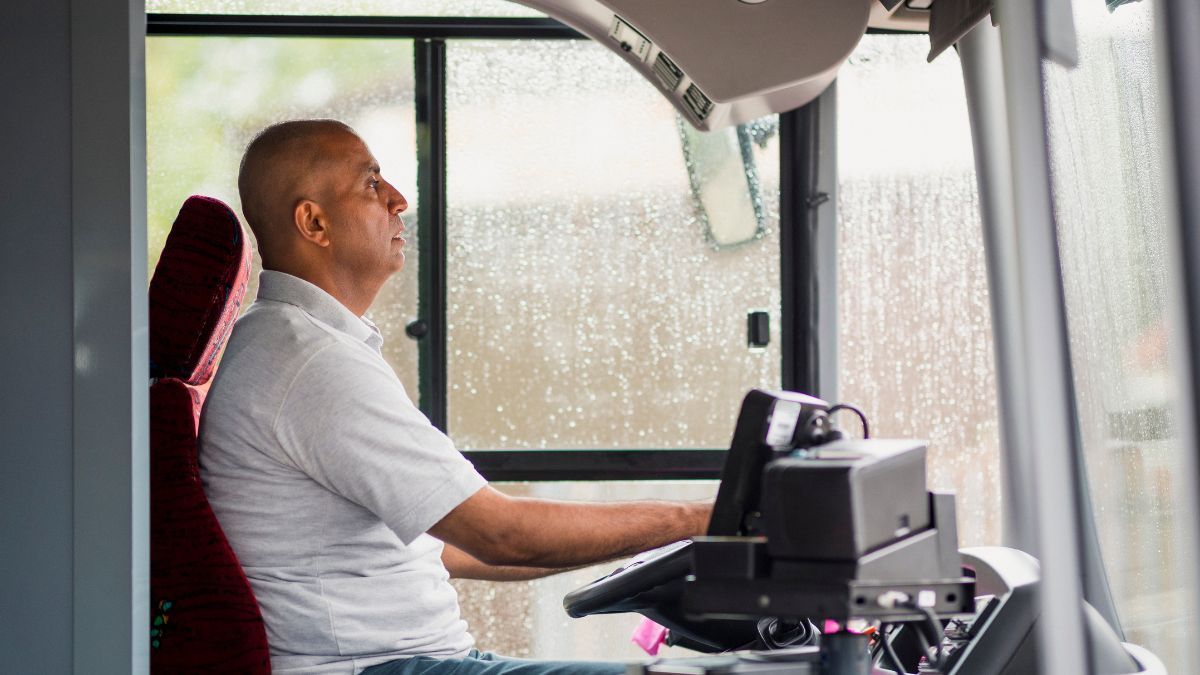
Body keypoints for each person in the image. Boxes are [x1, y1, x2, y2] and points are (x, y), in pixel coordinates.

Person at [199, 119, 712, 675]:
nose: (399, 199)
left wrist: (643, 545)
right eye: (371, 184)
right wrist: (698, 519)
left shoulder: (289, 342)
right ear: (314, 222)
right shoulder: (313, 364)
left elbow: (446, 544)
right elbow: (502, 534)